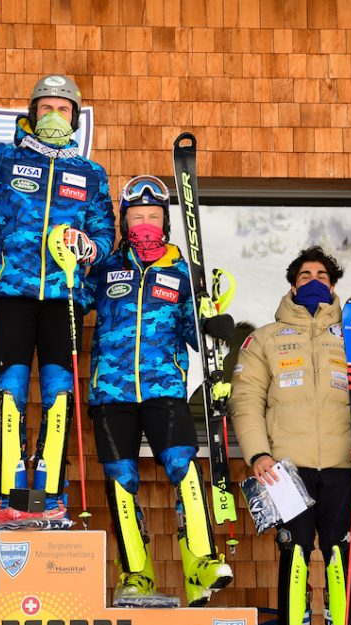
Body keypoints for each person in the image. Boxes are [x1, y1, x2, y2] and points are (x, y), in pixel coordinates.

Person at [0, 66, 115, 524]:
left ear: (75, 119)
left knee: (59, 393)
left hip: (65, 298)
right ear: (32, 113)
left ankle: (50, 493)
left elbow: (105, 235)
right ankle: (11, 494)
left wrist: (91, 247)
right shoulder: (4, 159)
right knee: (11, 389)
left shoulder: (91, 174)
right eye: (46, 108)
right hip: (12, 293)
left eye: (63, 109)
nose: (54, 115)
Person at [229, 246, 351, 625]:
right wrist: (258, 454)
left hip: (344, 465)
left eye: (321, 276)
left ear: (334, 284)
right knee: (294, 556)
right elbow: (245, 400)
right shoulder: (265, 339)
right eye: (305, 276)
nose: (313, 282)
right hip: (286, 469)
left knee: (341, 555)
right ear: (292, 285)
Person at [84, 175, 234, 607]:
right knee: (120, 479)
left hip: (164, 386)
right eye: (137, 216)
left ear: (165, 222)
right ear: (124, 221)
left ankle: (200, 563)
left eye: (153, 216)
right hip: (111, 392)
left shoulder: (183, 272)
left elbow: (194, 332)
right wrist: (72, 271)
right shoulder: (107, 266)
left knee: (182, 466)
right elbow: (75, 301)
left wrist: (213, 326)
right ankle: (136, 576)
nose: (145, 223)